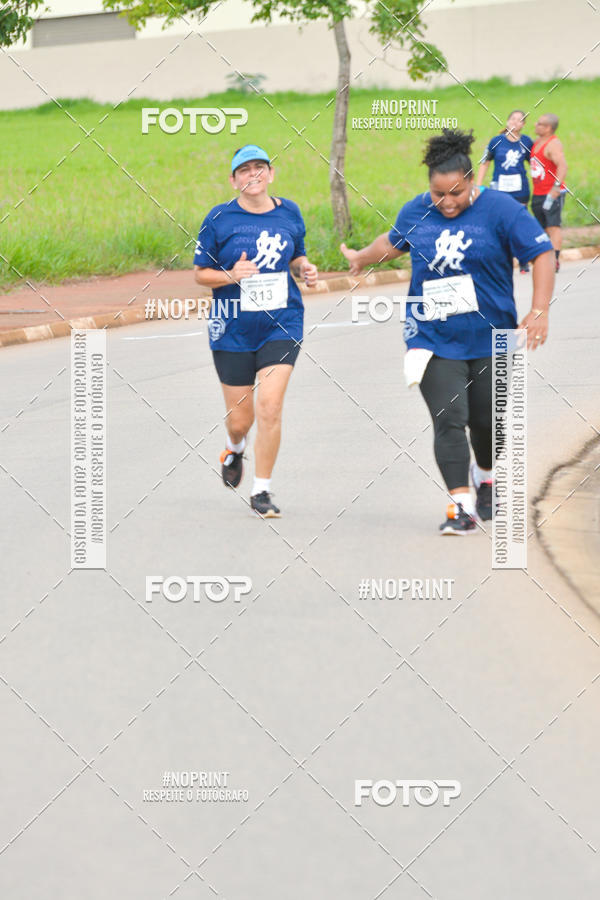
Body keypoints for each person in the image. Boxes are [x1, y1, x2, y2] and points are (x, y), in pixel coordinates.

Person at [341, 129, 555, 534]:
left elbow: (541, 252)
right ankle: (461, 505)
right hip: (431, 337)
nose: (447, 202)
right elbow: (389, 244)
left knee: (488, 421)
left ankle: (486, 477)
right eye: (439, 194)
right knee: (449, 418)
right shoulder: (417, 211)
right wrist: (359, 259)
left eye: (456, 192)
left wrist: (540, 309)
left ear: (472, 180)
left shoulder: (502, 210)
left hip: (493, 337)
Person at [194, 144, 318, 518]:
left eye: (259, 168)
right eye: (244, 170)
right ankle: (234, 449)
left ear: (271, 174)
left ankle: (261, 490)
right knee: (240, 420)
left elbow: (296, 255)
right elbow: (200, 274)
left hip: (281, 323)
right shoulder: (219, 219)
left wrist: (305, 268)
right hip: (232, 328)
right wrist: (231, 275)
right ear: (234, 180)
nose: (253, 175)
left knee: (270, 405)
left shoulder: (289, 212)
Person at [476, 109, 533, 273]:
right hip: (500, 190)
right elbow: (484, 162)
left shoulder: (527, 142)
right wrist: (479, 185)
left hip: (520, 189)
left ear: (523, 125)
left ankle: (523, 261)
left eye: (520, 120)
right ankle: (501, 261)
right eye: (513, 118)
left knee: (520, 224)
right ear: (507, 121)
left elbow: (535, 163)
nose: (516, 122)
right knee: (499, 225)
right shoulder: (496, 141)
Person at [530, 113, 568, 272]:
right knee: (542, 228)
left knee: (553, 226)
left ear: (548, 128)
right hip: (538, 192)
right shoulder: (538, 142)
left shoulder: (553, 144)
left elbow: (563, 166)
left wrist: (555, 188)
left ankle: (555, 261)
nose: (535, 125)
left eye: (539, 124)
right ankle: (546, 258)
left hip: (552, 193)